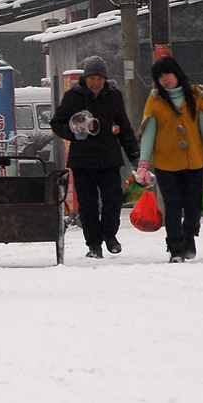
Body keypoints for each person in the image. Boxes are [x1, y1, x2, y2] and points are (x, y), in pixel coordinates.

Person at [50, 55, 140, 258]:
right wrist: (73, 132)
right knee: (88, 204)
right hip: (82, 160)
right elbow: (57, 123)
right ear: (86, 78)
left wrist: (134, 155)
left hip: (109, 158)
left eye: (99, 78)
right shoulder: (73, 96)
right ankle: (93, 244)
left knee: (113, 200)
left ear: (105, 79)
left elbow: (124, 126)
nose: (96, 82)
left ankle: (110, 236)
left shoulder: (113, 96)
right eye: (92, 78)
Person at [135, 56, 203, 263]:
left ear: (177, 73)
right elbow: (149, 133)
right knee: (173, 204)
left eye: (167, 74)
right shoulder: (155, 100)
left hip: (194, 161)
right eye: (160, 77)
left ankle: (189, 237)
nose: (165, 79)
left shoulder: (195, 95)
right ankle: (175, 247)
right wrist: (144, 164)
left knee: (193, 204)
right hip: (166, 162)